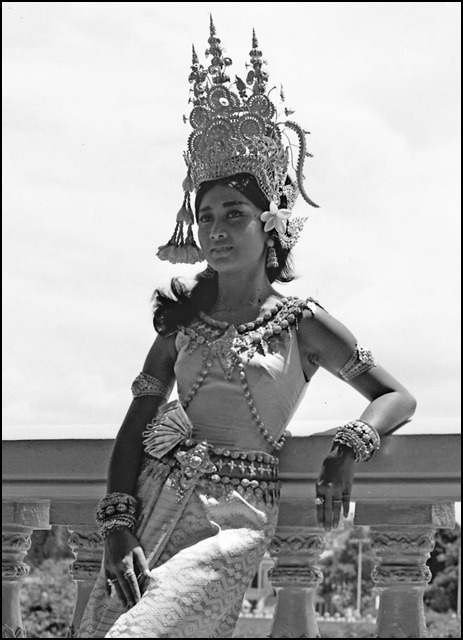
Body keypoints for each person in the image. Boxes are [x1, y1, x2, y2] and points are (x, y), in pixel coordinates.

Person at [77, 17, 416, 639]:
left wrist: (348, 448)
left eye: (235, 214)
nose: (216, 230)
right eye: (206, 216)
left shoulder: (301, 322)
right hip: (151, 504)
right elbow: (134, 429)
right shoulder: (179, 321)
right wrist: (118, 525)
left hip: (234, 521)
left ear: (270, 225)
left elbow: (396, 395)